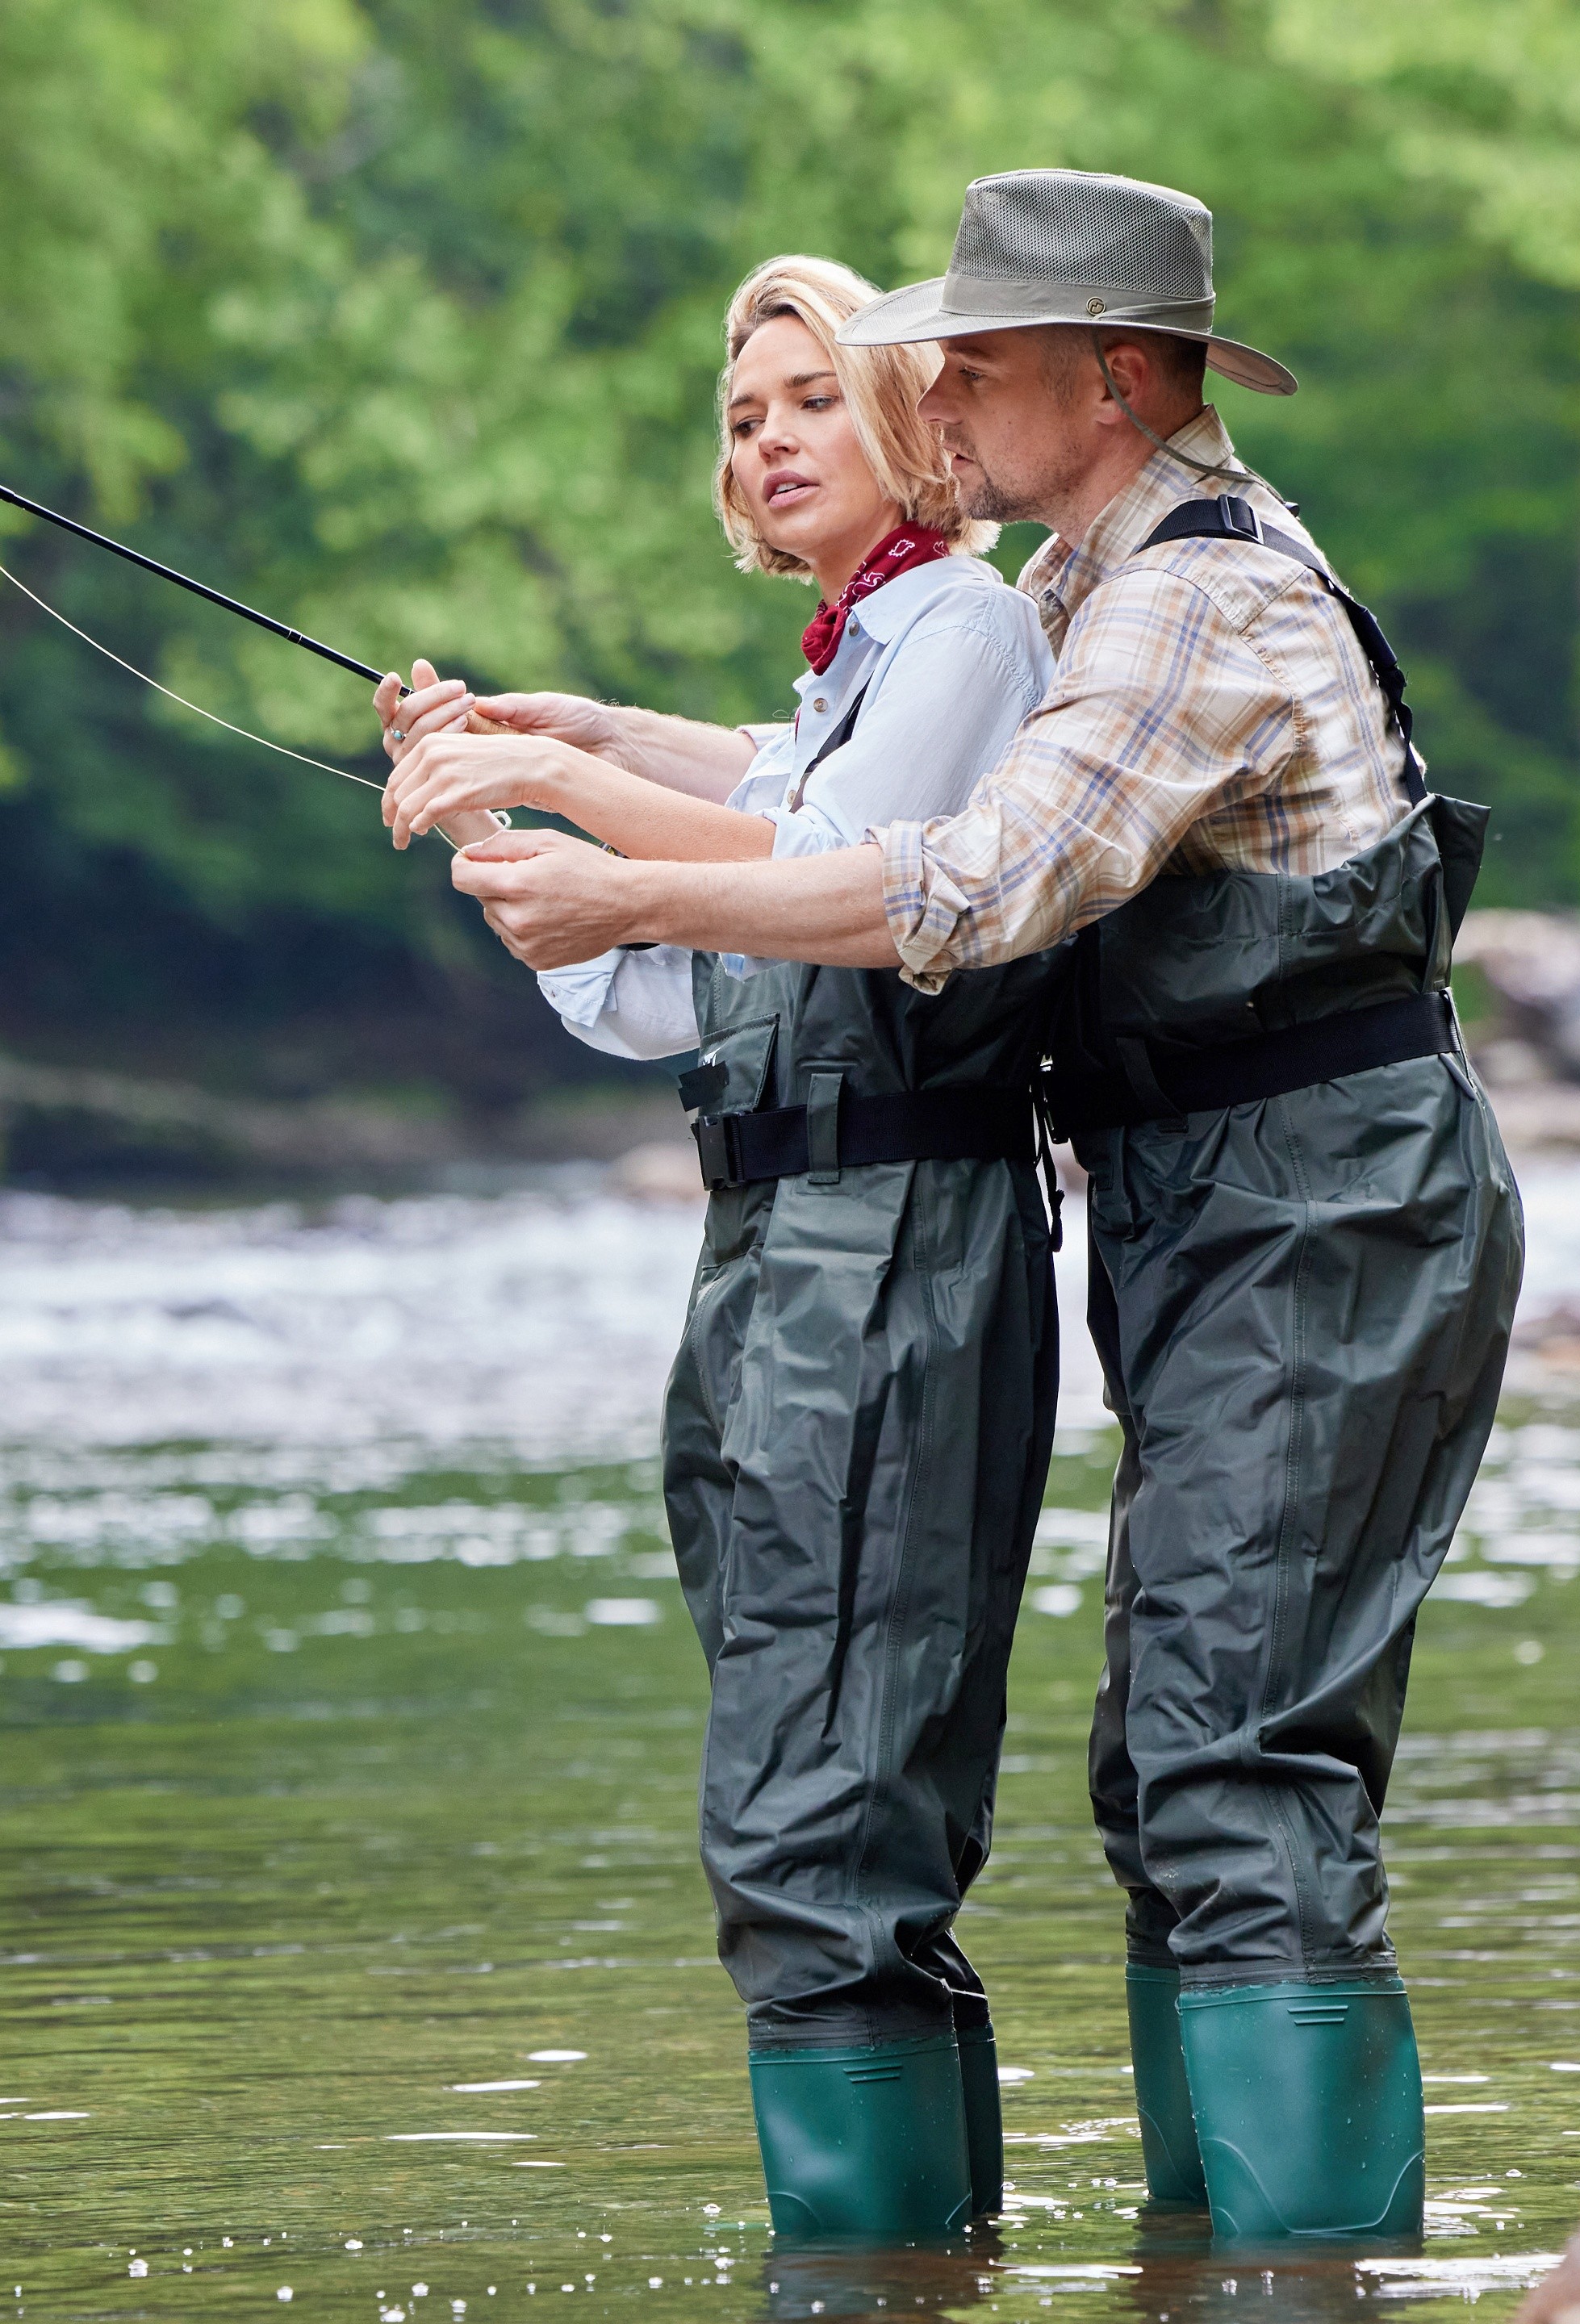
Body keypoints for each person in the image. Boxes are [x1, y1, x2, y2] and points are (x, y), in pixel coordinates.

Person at [442, 171, 1525, 2246]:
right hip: (1227, 1209)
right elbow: (829, 767)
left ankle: (1306, 2282)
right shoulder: (1076, 575)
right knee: (1173, 1771)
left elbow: (970, 879)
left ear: (1112, 380)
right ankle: (1218, 2274)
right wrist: (578, 736)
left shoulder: (1191, 600)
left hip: (1334, 1208)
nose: (936, 384)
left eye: (981, 358)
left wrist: (619, 884)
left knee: (1237, 1764)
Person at [378, 255, 1066, 2241]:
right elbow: (717, 906)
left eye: (807, 401)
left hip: (888, 1259)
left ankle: (867, 2280)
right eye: (739, 416)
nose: (763, 439)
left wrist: (564, 787)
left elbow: (847, 859)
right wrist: (558, 797)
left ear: (918, 427)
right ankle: (927, 2271)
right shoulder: (861, 661)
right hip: (789, 1259)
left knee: (820, 1816)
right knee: (827, 1784)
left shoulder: (952, 627)